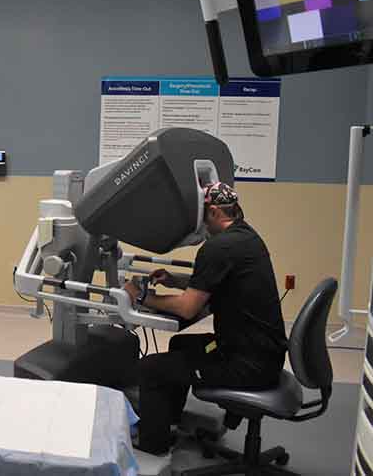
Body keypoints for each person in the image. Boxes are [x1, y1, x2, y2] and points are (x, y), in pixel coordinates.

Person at [122, 182, 288, 455]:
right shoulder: (246, 237)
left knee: (150, 368)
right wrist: (176, 281)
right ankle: (167, 421)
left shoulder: (217, 248)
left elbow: (188, 308)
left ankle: (154, 444)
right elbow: (222, 282)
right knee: (181, 346)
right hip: (262, 353)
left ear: (212, 212)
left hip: (245, 365)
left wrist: (138, 297)